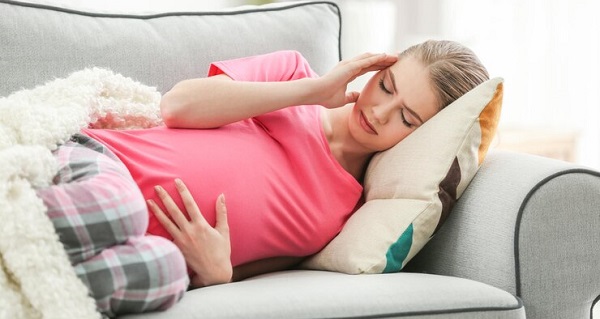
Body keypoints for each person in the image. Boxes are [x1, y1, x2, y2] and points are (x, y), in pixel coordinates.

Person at [35, 40, 489, 317]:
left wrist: (219, 273)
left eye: (406, 118)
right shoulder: (293, 73)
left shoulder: (342, 214)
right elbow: (179, 106)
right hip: (104, 165)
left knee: (163, 272)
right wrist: (315, 91)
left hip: (148, 248)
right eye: (386, 85)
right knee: (119, 211)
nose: (378, 111)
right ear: (372, 68)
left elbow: (253, 269)